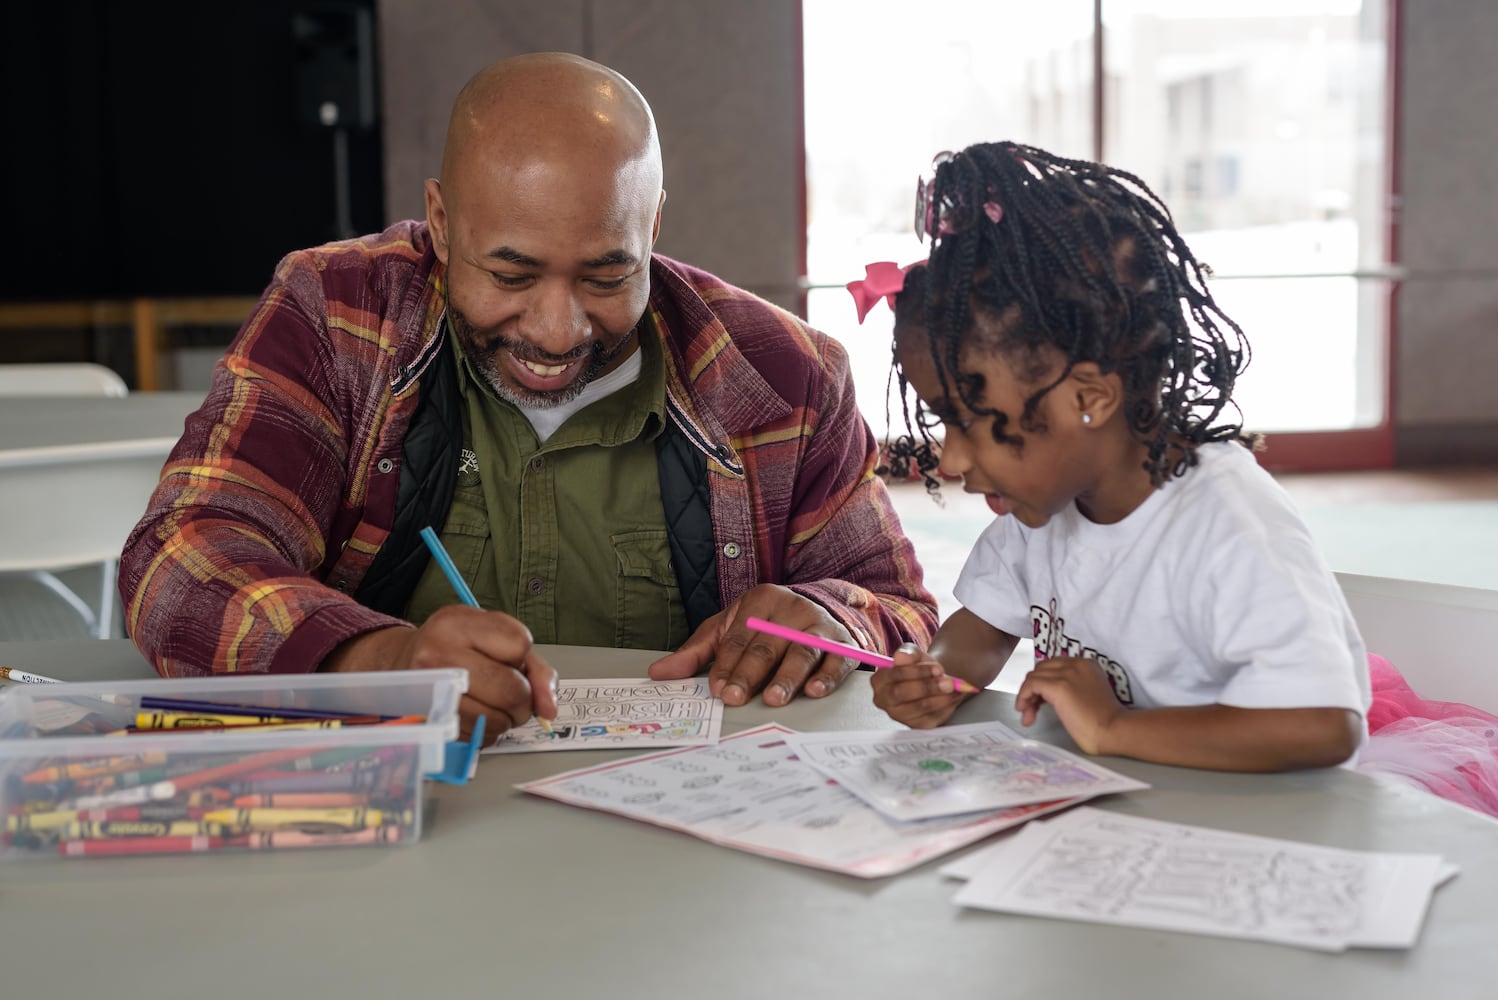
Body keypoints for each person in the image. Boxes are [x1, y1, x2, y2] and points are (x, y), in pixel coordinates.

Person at [119, 52, 936, 740]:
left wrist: (830, 617)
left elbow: (897, 609)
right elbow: (180, 561)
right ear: (440, 222)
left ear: (652, 227)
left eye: (607, 274)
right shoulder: (335, 315)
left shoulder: (784, 374)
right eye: (509, 274)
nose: (555, 330)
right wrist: (378, 661)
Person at [864, 141, 1369, 772]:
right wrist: (940, 677)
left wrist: (1111, 728)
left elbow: (1321, 726)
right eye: (945, 422)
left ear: (1089, 398)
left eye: (973, 422)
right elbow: (982, 628)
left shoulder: (1230, 525)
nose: (955, 461)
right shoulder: (1039, 517)